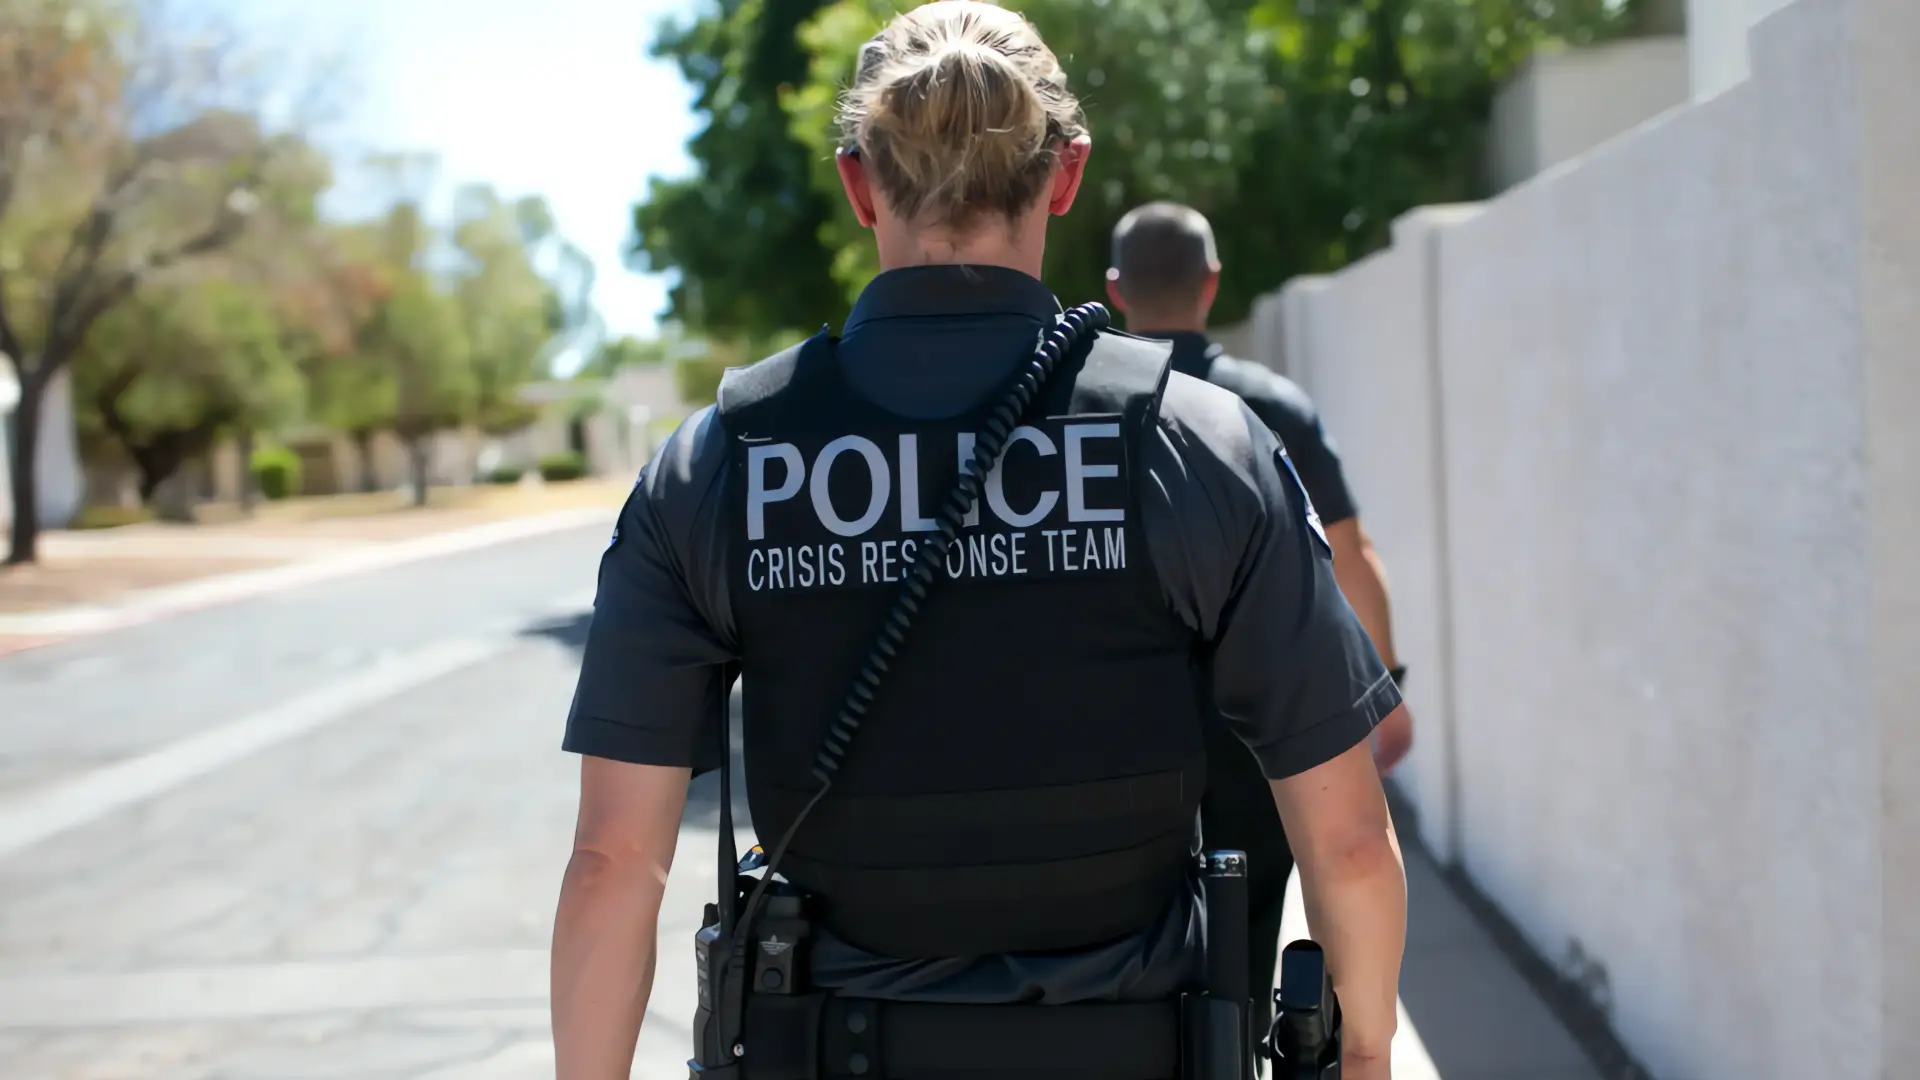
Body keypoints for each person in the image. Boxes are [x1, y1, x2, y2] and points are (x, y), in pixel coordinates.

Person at [550, 4, 1408, 1079]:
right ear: (1066, 177)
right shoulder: (1198, 442)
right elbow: (1346, 841)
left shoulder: (718, 462)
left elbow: (612, 862)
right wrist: (1365, 1055)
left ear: (860, 184)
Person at [1107, 199, 1416, 1049]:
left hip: (1127, 742)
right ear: (1213, 284)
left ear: (1114, 290)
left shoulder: (1083, 412)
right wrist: (1383, 687)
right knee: (1244, 949)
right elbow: (1350, 557)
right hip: (1262, 743)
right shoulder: (1270, 406)